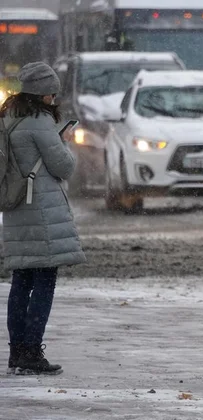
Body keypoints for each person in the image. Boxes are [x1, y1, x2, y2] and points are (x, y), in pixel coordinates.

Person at [3, 62, 86, 375]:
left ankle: (17, 353)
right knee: (44, 281)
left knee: (21, 281)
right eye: (52, 91)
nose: (55, 97)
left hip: (15, 207)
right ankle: (32, 351)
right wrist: (63, 140)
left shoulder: (9, 116)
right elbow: (63, 167)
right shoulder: (39, 121)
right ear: (43, 92)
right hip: (40, 210)